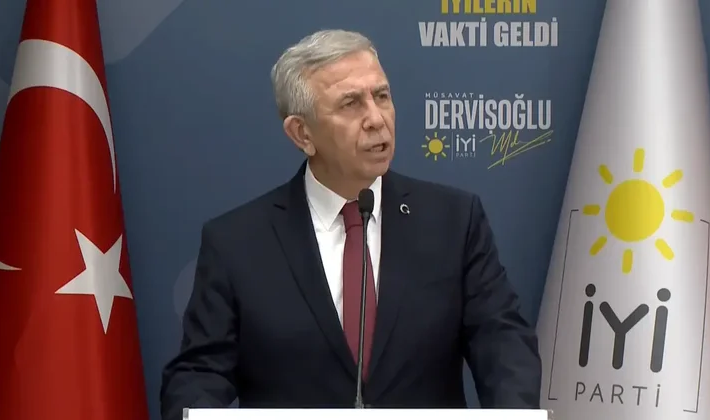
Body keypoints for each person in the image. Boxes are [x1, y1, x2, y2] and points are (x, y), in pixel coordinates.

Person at [160, 29, 541, 418]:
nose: (376, 119)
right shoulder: (237, 242)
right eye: (350, 103)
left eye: (382, 96)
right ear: (302, 133)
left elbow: (501, 339)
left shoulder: (453, 221)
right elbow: (198, 374)